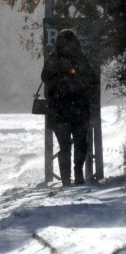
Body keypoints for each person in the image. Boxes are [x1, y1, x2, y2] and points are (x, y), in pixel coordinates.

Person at [41, 29, 97, 186]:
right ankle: (66, 178)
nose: (65, 46)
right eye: (63, 43)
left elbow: (91, 81)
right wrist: (61, 78)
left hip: (76, 108)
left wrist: (80, 87)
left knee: (80, 143)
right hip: (61, 109)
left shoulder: (80, 58)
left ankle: (77, 174)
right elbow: (45, 77)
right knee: (66, 145)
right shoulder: (55, 59)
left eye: (67, 43)